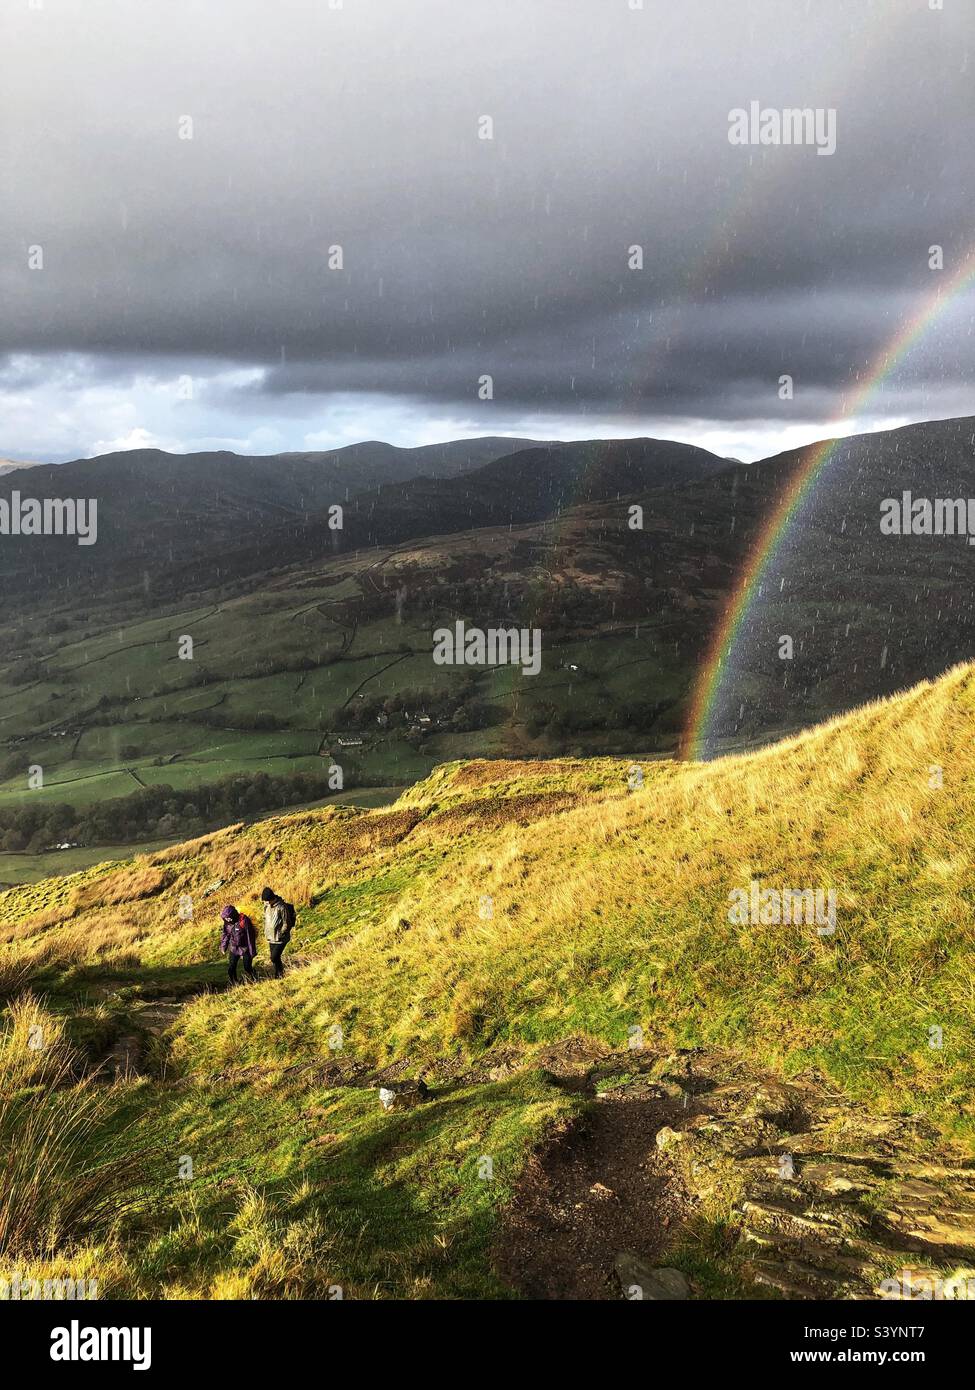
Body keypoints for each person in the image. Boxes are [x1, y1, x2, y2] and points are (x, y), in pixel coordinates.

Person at [260, 886, 296, 978]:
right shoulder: (266, 906)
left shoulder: (281, 907)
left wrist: (281, 933)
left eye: (266, 900)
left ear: (271, 899)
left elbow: (286, 923)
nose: (265, 902)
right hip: (271, 937)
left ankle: (279, 973)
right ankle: (279, 974)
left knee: (274, 957)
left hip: (280, 938)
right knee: (274, 958)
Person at [220, 904, 257, 984]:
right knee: (231, 968)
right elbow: (226, 934)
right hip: (234, 947)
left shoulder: (244, 920)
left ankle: (255, 978)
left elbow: (250, 936)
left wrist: (252, 951)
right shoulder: (227, 922)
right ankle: (235, 983)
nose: (228, 920)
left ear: (233, 915)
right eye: (226, 918)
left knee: (247, 967)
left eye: (229, 917)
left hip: (245, 947)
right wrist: (223, 947)